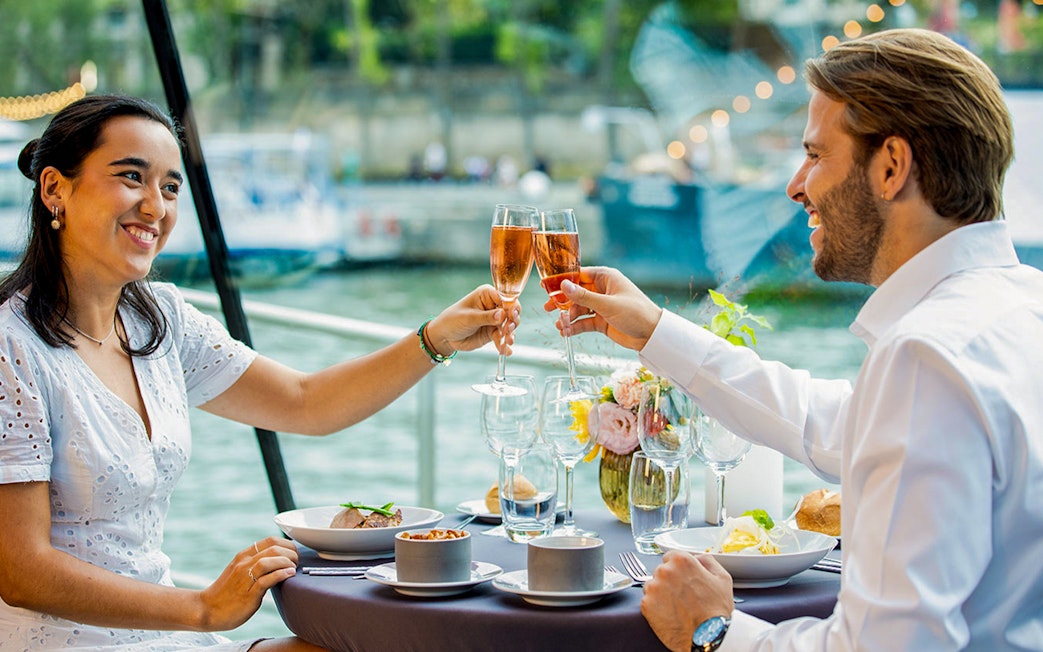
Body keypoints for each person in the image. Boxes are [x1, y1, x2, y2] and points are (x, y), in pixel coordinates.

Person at [551, 28, 1043, 651]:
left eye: (815, 155)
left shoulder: (925, 356)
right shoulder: (1023, 310)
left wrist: (717, 630)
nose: (795, 184)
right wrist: (655, 332)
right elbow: (829, 423)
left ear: (891, 167)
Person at [0, 95, 519, 651]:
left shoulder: (161, 320)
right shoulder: (12, 347)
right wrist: (204, 607)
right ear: (55, 188)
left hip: (164, 636)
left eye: (171, 188)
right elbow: (22, 569)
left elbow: (304, 401)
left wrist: (434, 339)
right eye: (132, 177)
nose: (155, 207)